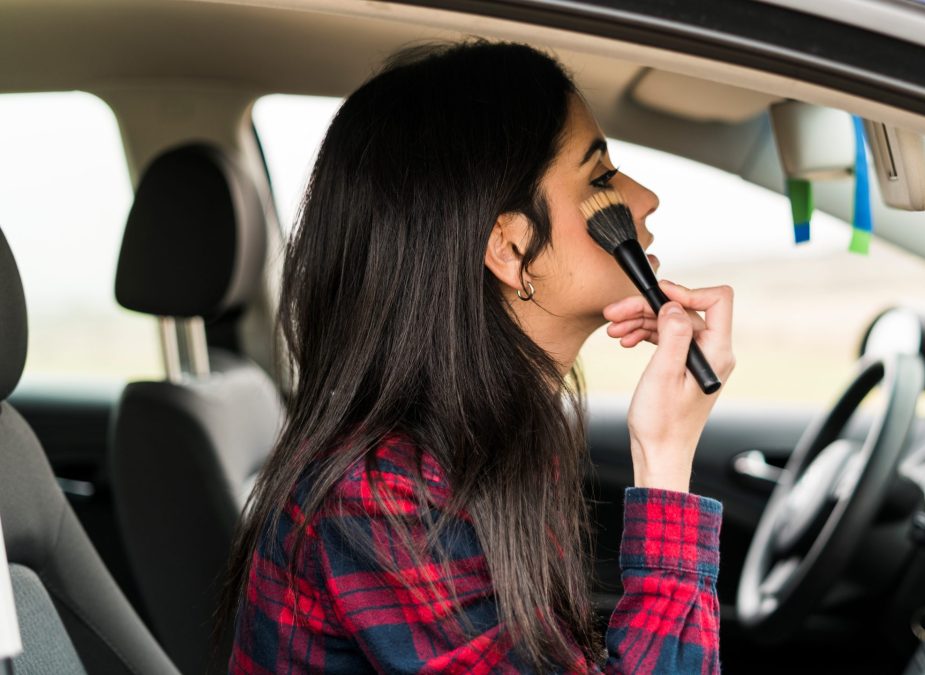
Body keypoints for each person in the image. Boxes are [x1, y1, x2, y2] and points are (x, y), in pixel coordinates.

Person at [216, 36, 736, 674]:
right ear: (511, 249)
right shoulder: (383, 501)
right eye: (600, 177)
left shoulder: (488, 442)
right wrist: (666, 456)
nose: (643, 197)